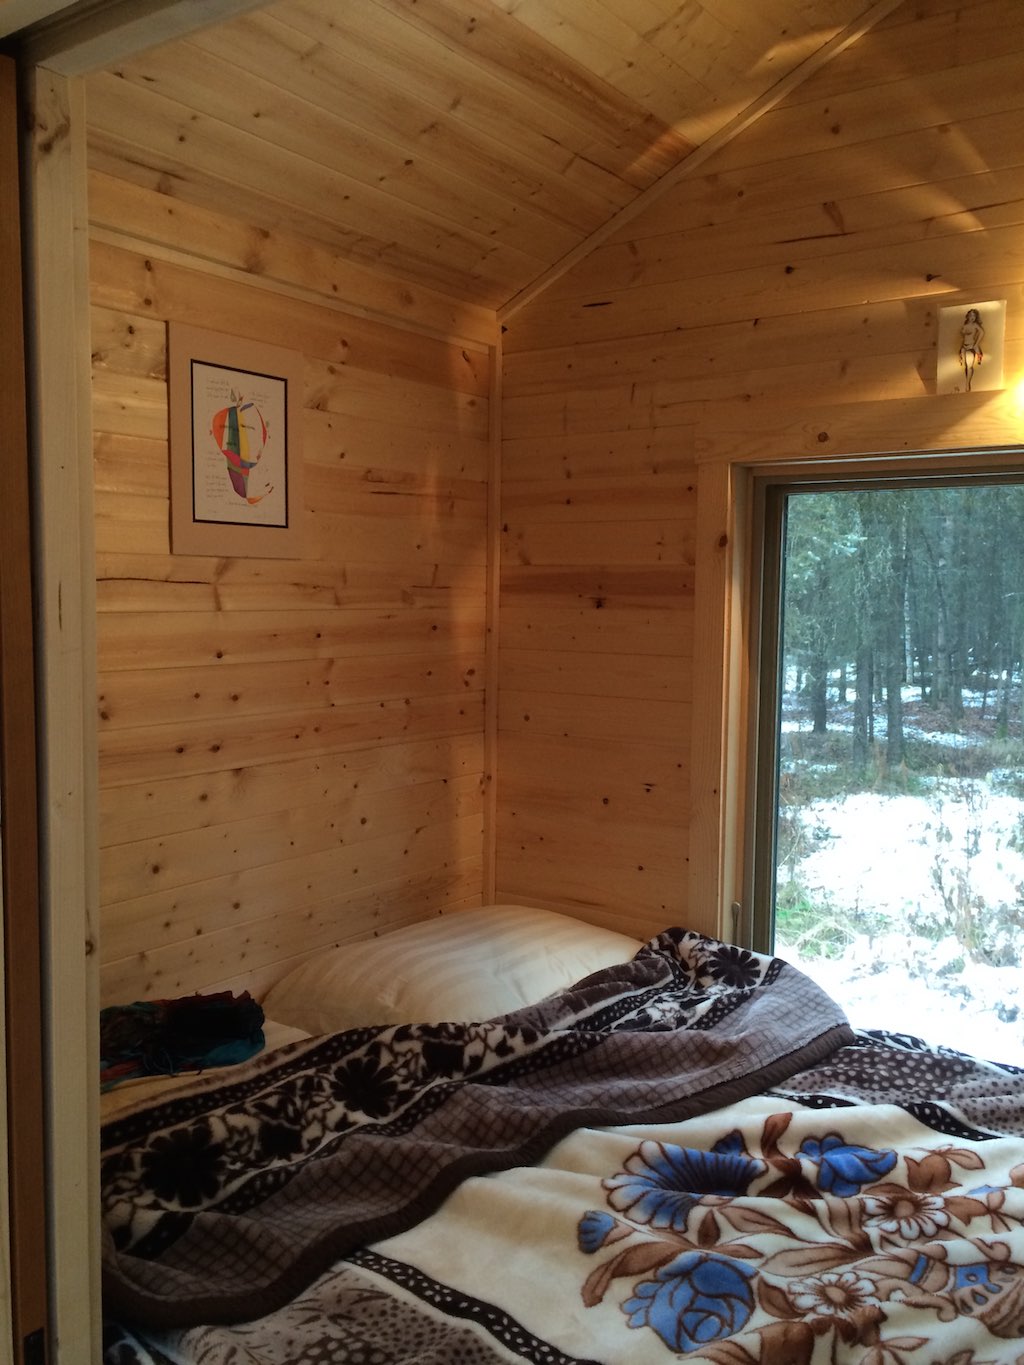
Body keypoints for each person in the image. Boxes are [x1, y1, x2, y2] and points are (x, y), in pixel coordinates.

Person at [958, 308, 984, 391]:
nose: (972, 317)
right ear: (968, 316)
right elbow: (963, 337)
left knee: (969, 366)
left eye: (974, 316)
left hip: (971, 347)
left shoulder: (975, 325)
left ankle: (967, 384)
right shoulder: (965, 326)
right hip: (964, 347)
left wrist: (976, 344)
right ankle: (967, 382)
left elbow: (982, 333)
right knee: (965, 366)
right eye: (971, 315)